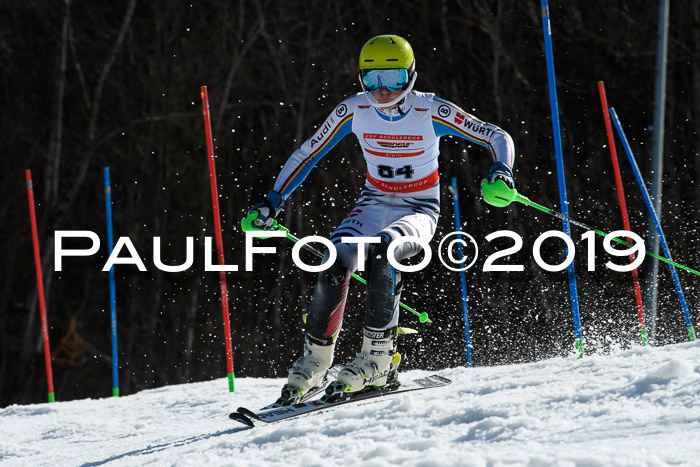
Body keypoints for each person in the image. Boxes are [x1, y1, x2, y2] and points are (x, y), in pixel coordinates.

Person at [248, 34, 515, 402]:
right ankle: (315, 363)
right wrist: (272, 201)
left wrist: (501, 171)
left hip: (419, 208)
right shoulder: (354, 110)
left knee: (384, 251)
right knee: (334, 260)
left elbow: (495, 135)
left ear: (411, 76)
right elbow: (308, 153)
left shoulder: (430, 110)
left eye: (393, 79)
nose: (382, 90)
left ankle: (378, 361)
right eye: (372, 80)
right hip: (374, 202)